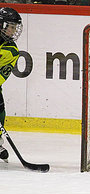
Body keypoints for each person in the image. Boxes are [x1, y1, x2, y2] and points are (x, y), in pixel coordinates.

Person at [0, 7, 23, 162]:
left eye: (15, 27)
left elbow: (2, 74)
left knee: (0, 107)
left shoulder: (11, 51)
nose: (14, 31)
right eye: (11, 27)